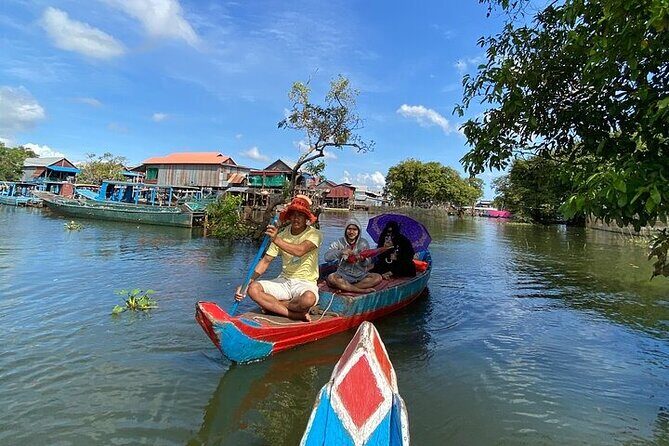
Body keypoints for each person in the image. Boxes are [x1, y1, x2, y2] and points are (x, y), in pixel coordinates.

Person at [235, 195, 323, 321]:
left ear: (306, 218)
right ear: (289, 217)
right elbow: (265, 261)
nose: (296, 218)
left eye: (300, 215)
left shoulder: (315, 234)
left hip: (305, 282)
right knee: (253, 289)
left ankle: (275, 305)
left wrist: (276, 239)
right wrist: (245, 284)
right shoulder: (282, 235)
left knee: (308, 299)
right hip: (284, 281)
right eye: (293, 214)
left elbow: (300, 251)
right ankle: (293, 314)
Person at [324, 218, 383, 293]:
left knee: (377, 277)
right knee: (331, 277)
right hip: (343, 275)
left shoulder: (364, 243)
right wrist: (341, 252)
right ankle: (360, 290)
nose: (351, 232)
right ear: (345, 230)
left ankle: (346, 288)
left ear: (358, 232)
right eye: (349, 229)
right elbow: (327, 257)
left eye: (355, 229)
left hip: (360, 275)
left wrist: (363, 259)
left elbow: (368, 262)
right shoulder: (339, 242)